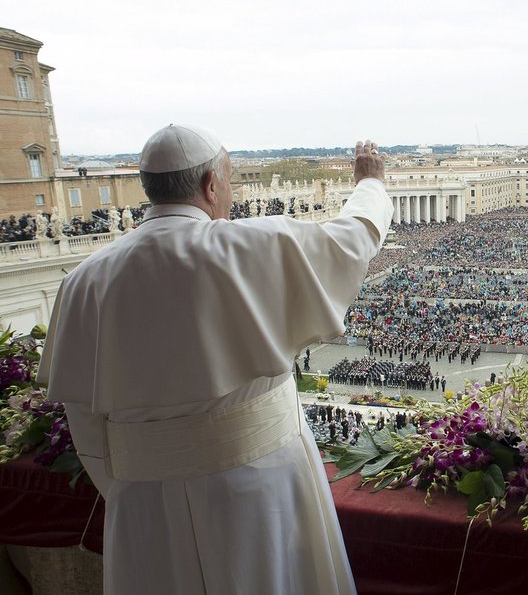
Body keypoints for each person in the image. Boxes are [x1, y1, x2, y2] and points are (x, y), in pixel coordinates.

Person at [38, 125, 393, 595]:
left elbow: (84, 421)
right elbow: (352, 241)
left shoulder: (83, 281)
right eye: (229, 179)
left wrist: (141, 479)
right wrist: (370, 183)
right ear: (210, 185)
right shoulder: (251, 245)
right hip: (261, 486)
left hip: (143, 499)